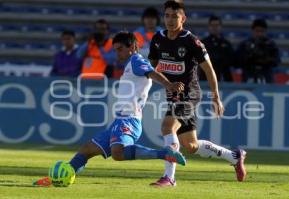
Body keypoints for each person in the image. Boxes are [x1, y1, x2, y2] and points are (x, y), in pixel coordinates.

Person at [34, 31, 187, 187]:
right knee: (87, 149)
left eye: (120, 49)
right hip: (119, 121)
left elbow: (152, 73)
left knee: (118, 153)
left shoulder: (136, 60)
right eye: (115, 49)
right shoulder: (130, 64)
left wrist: (169, 85)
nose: (117, 53)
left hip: (129, 119)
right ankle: (56, 179)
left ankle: (165, 154)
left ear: (133, 47)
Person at [148, 1, 246, 187]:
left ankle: (169, 177)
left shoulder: (191, 40)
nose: (170, 20)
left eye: (174, 16)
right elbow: (151, 67)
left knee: (167, 127)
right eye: (167, 15)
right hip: (173, 95)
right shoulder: (158, 39)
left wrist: (216, 97)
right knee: (190, 145)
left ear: (183, 18)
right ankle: (234, 156)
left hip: (190, 94)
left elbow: (209, 70)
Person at [236, 18, 280, 83]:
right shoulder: (245, 44)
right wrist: (249, 57)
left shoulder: (271, 45)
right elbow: (236, 62)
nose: (259, 34)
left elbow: (277, 61)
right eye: (257, 31)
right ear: (252, 31)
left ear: (265, 31)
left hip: (266, 76)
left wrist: (265, 59)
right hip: (249, 75)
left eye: (262, 31)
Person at [198, 15, 234, 82]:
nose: (215, 27)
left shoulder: (226, 44)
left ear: (221, 27)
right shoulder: (202, 43)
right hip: (206, 79)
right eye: (212, 25)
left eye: (217, 25)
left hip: (224, 78)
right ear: (209, 27)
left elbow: (233, 61)